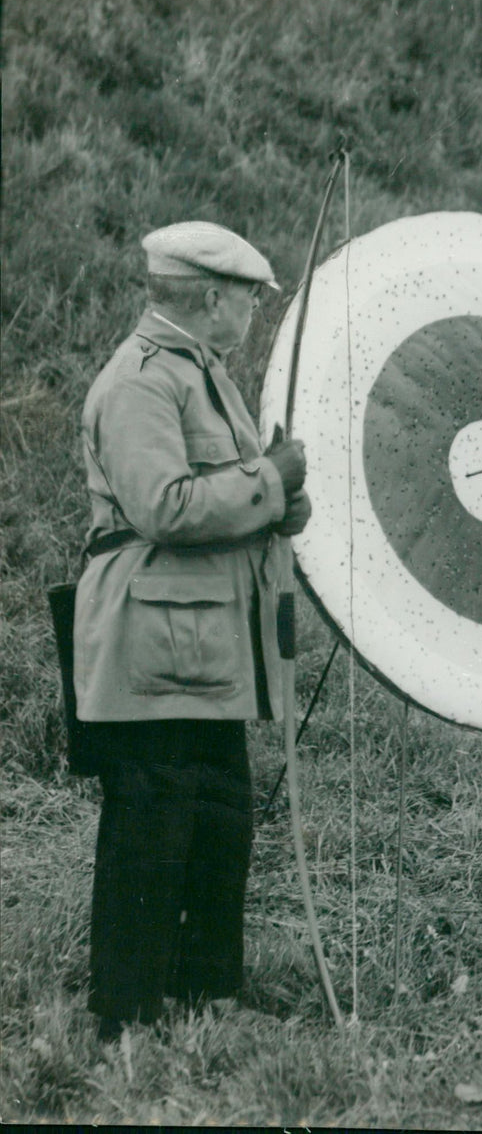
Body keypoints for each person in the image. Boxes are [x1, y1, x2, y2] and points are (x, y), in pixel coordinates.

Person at [73, 221, 309, 1042]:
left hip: (201, 645)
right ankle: (127, 1014)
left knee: (217, 815)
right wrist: (268, 482)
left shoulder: (202, 373)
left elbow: (230, 490)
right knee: (149, 818)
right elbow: (164, 506)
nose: (251, 311)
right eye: (247, 296)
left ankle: (207, 995)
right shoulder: (141, 382)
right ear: (211, 298)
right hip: (152, 642)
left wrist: (278, 499)